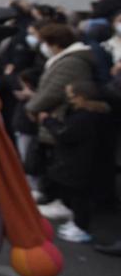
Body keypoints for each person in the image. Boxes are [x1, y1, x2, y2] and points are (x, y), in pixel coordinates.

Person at [22, 24, 95, 215]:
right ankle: (50, 195)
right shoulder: (64, 60)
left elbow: (53, 90)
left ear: (54, 43)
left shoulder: (72, 62)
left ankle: (63, 202)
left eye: (44, 42)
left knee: (61, 165)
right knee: (52, 162)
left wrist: (32, 107)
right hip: (53, 118)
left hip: (59, 118)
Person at [39, 81, 112, 243]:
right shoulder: (100, 114)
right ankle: (77, 223)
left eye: (71, 94)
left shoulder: (83, 117)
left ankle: (80, 227)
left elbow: (65, 134)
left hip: (78, 162)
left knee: (79, 197)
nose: (68, 98)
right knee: (79, 195)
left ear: (80, 97)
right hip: (89, 161)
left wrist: (48, 121)